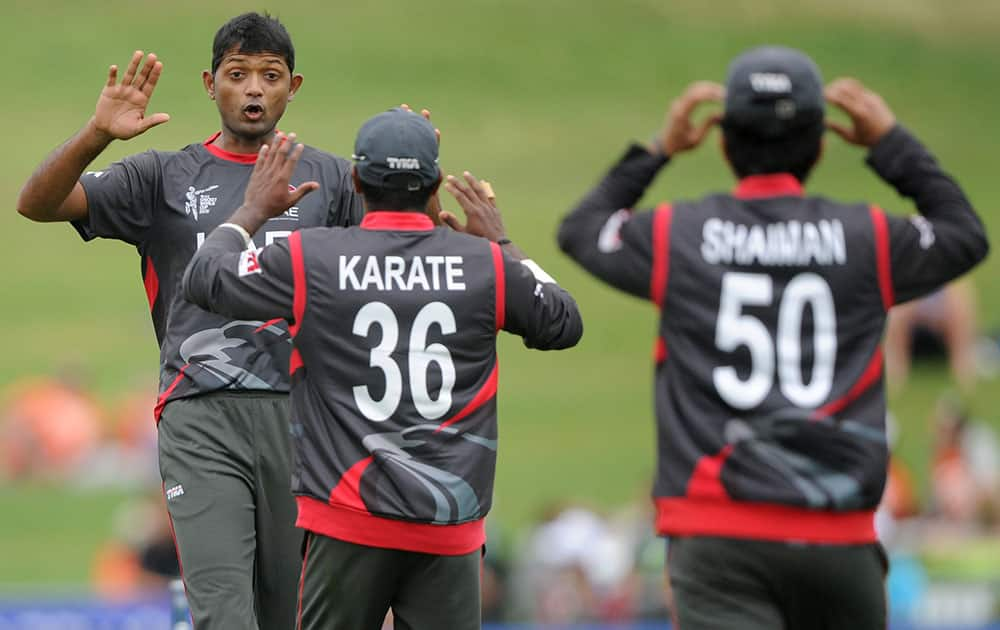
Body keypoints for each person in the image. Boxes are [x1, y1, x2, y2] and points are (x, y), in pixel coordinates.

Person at [557, 45, 989, 629]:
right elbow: (963, 233)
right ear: (821, 144)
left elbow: (582, 230)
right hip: (840, 536)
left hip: (718, 535)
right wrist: (893, 145)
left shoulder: (679, 235)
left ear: (724, 142)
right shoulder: (867, 238)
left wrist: (660, 150)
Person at [16, 13, 362, 629]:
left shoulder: (331, 180)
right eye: (238, 75)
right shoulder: (163, 177)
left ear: (294, 86)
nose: (254, 89)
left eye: (270, 76)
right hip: (200, 413)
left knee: (295, 616)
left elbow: (395, 254)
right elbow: (36, 202)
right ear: (210, 84)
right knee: (223, 615)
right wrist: (96, 134)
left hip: (305, 420)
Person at [182, 109, 583, 629]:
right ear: (435, 181)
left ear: (355, 180)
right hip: (449, 524)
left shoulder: (314, 258)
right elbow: (563, 321)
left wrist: (251, 210)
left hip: (347, 519)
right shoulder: (484, 264)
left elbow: (205, 277)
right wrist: (502, 242)